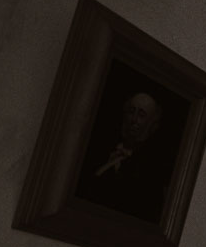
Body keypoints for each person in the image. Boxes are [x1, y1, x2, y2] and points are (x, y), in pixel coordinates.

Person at [73, 90, 174, 223]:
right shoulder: (100, 149)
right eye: (131, 111)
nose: (134, 119)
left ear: (151, 125)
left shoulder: (150, 170)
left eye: (141, 115)